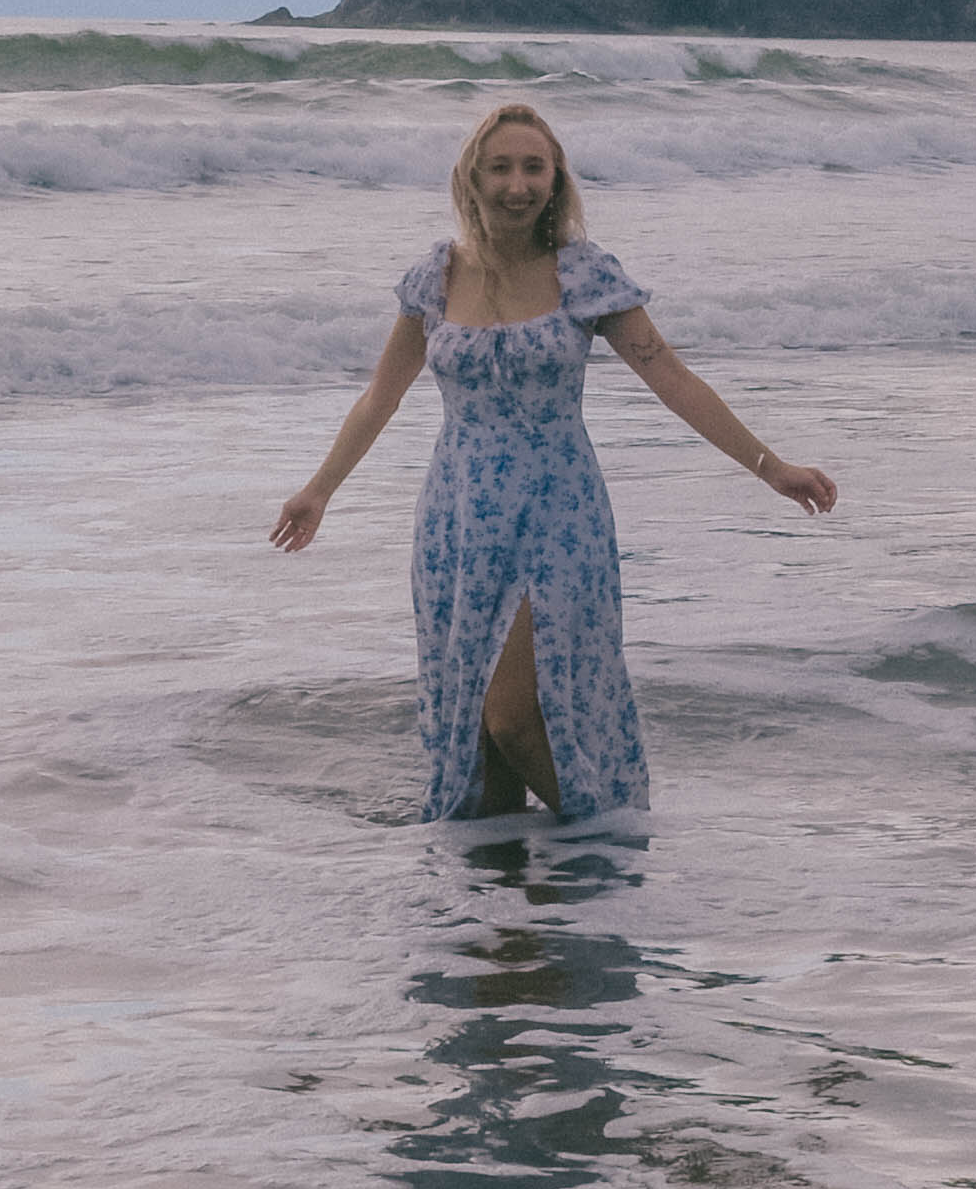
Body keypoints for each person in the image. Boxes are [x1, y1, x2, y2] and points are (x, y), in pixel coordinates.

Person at [269, 99, 834, 819]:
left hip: (558, 515)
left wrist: (770, 465)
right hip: (457, 518)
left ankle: (612, 839)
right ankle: (511, 921)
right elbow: (381, 395)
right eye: (500, 167)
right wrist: (319, 491)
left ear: (557, 179)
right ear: (470, 178)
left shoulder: (584, 275)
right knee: (480, 742)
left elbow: (671, 376)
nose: (518, 184)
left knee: (513, 716)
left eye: (534, 167)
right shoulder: (434, 279)